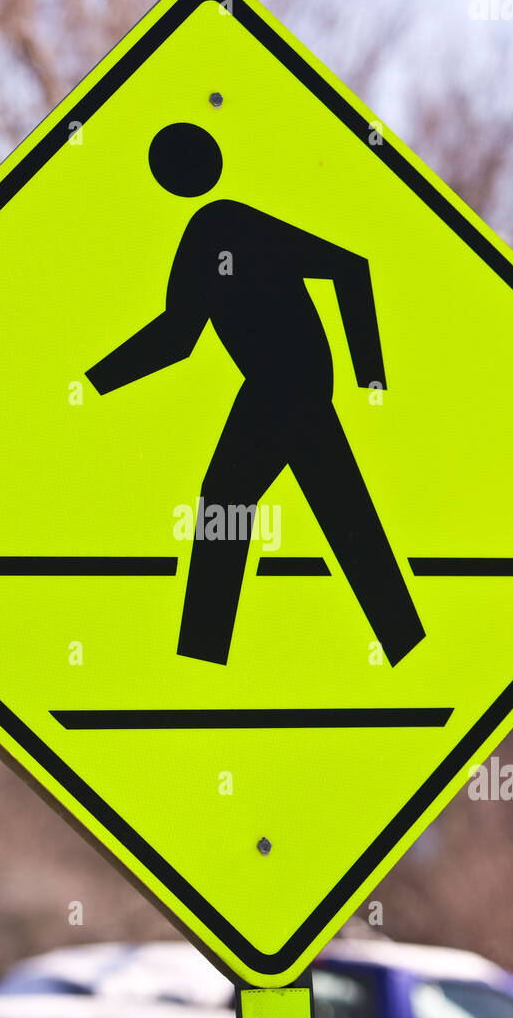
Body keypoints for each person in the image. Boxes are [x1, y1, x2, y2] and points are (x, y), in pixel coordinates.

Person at [87, 122, 424, 667]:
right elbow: (178, 336)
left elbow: (348, 268)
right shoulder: (205, 233)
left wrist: (373, 377)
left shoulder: (227, 222)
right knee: (336, 510)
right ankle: (404, 642)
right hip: (283, 384)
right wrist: (95, 381)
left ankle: (200, 656)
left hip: (288, 383)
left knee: (227, 500)